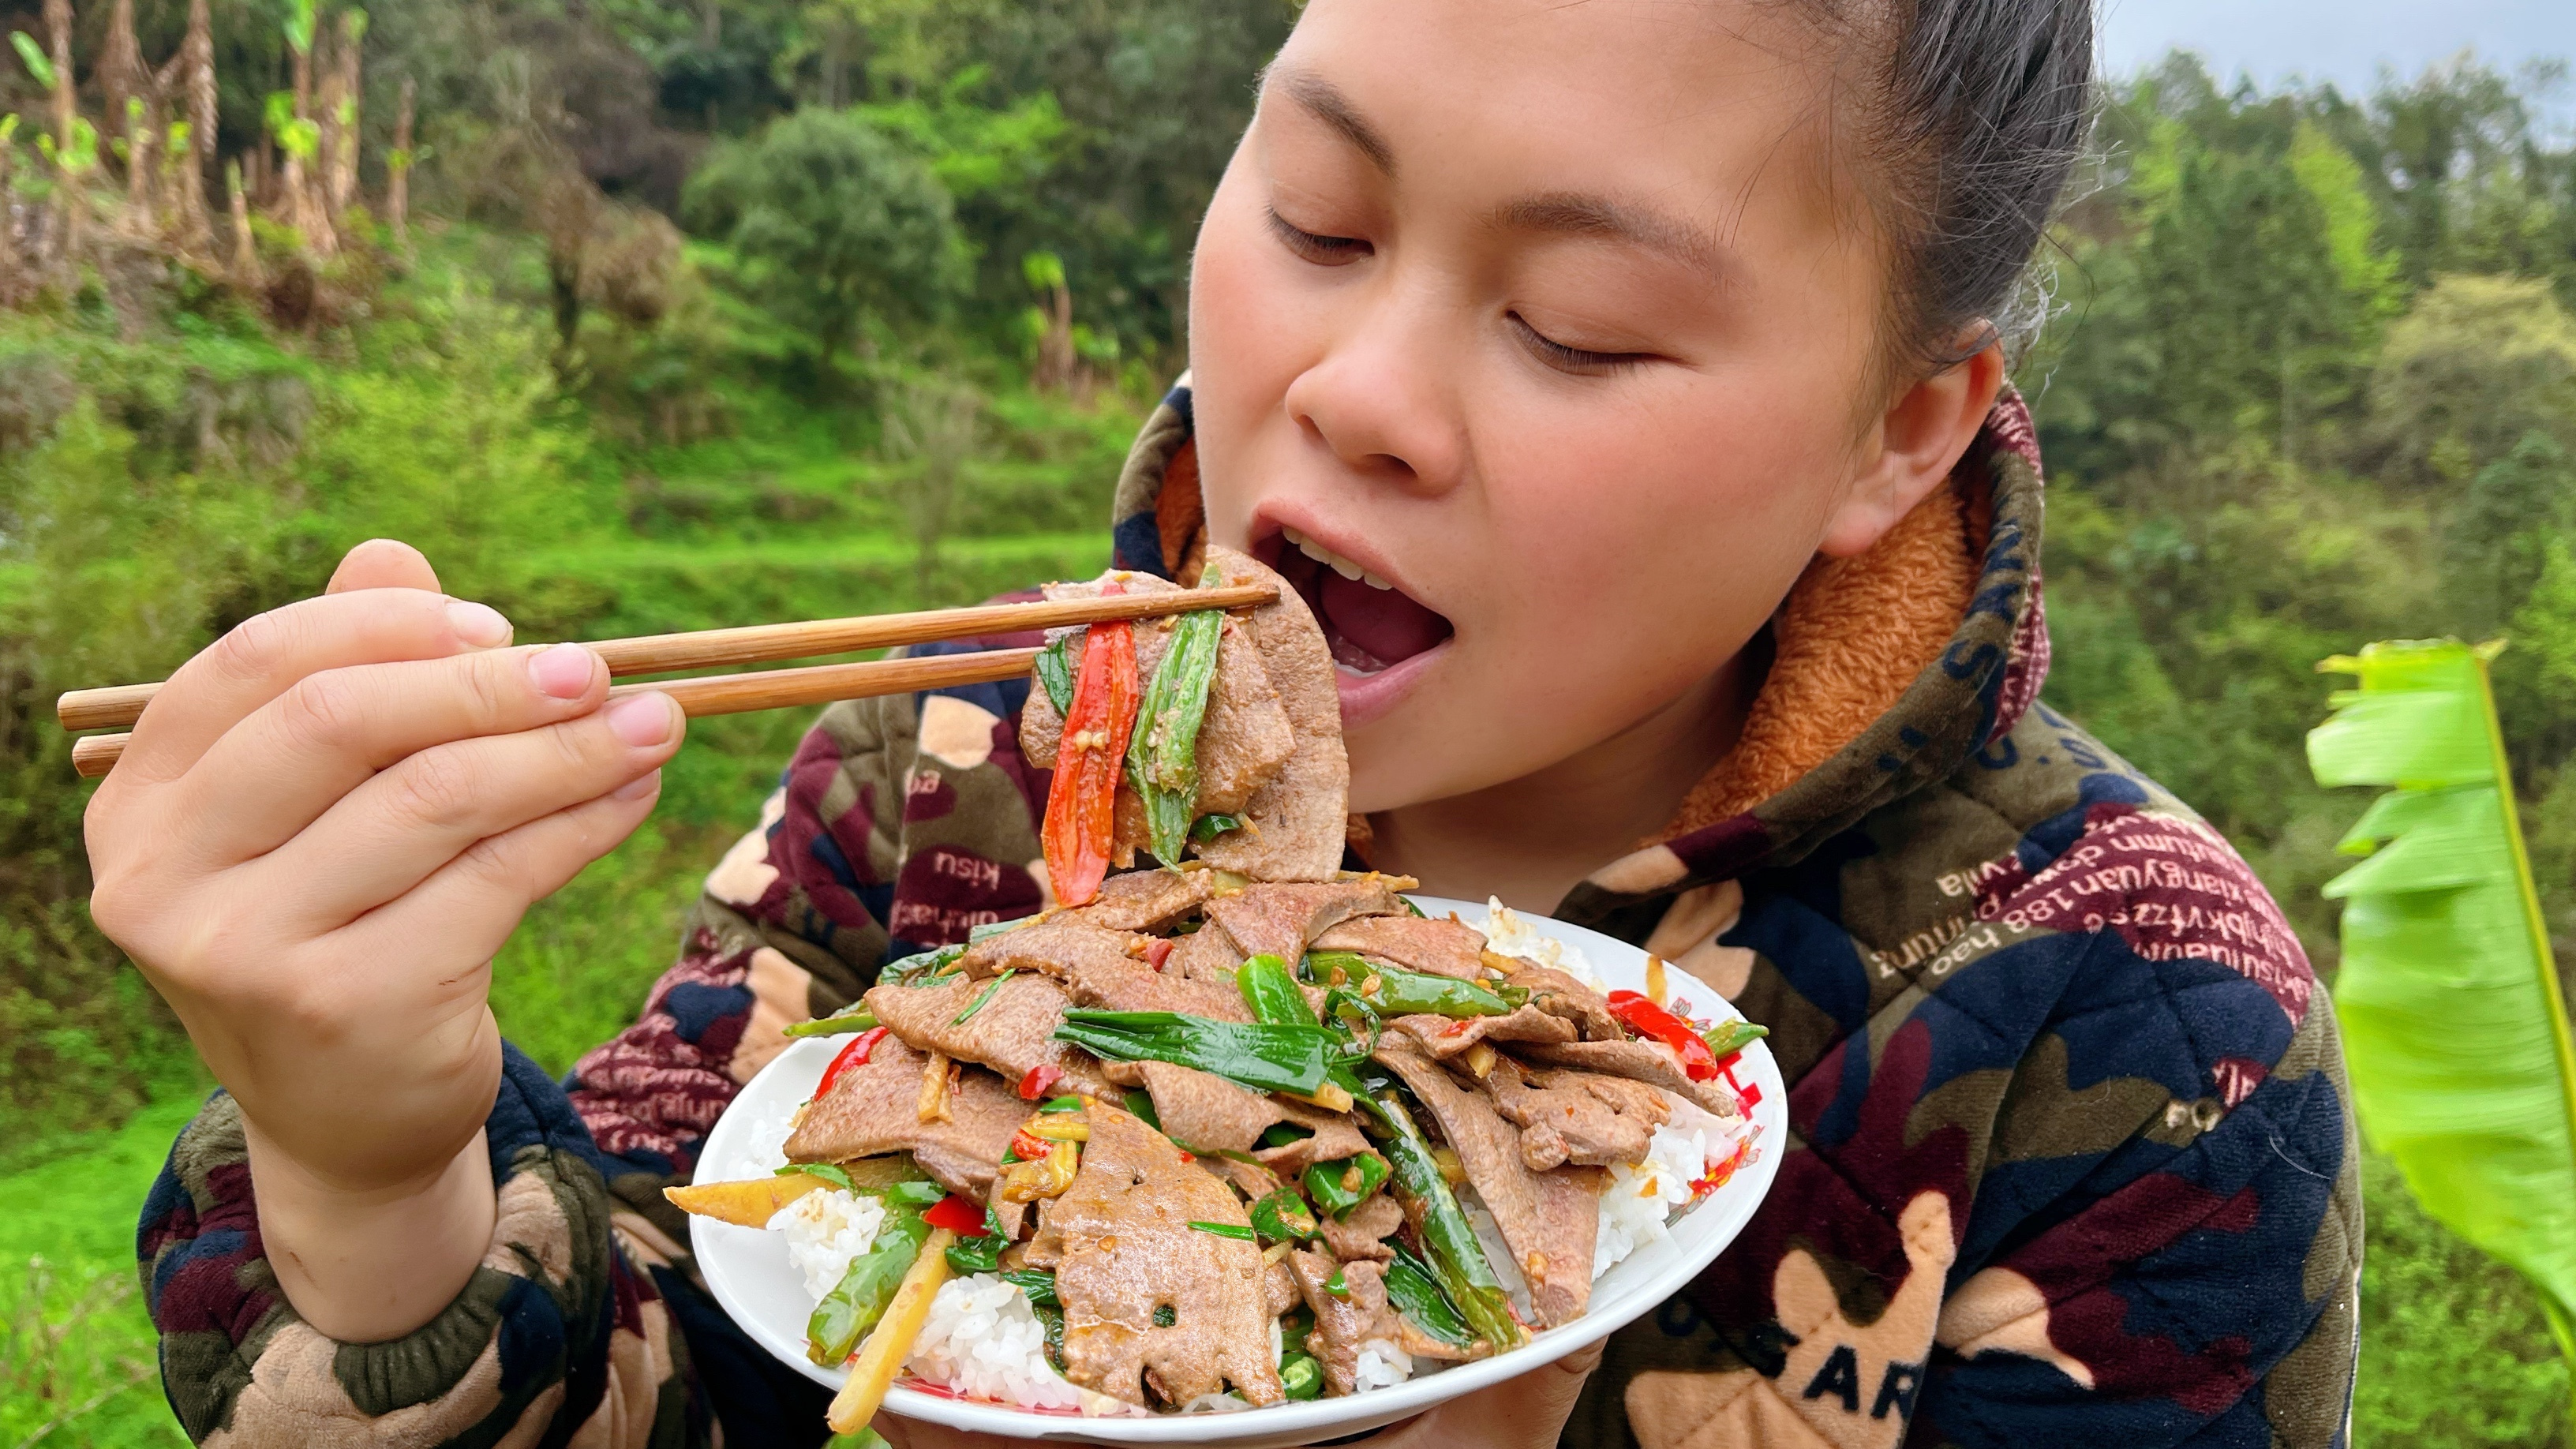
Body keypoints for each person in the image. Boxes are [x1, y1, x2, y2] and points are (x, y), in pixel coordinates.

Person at [100, 0, 2362, 1443]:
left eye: (1577, 324)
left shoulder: (2140, 1019)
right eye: (1316, 212)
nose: (1351, 394)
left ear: (1902, 423)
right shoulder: (966, 768)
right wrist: (373, 1167)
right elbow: (688, 1361)